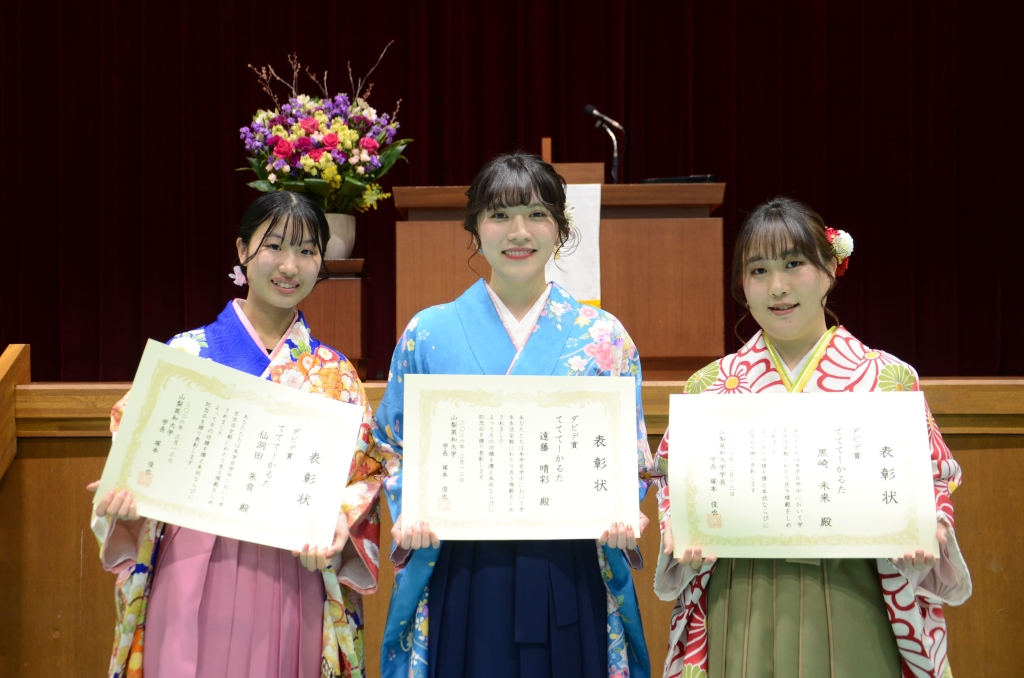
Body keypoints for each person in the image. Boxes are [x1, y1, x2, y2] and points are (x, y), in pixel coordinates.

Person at [651, 197, 972, 678]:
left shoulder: (886, 378)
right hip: (741, 589)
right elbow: (671, 478)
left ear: (830, 270)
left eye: (794, 264)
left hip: (855, 586)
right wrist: (679, 526)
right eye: (758, 270)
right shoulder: (710, 386)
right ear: (742, 285)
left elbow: (933, 476)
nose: (777, 287)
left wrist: (931, 523)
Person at [373, 152, 654, 678]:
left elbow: (631, 453)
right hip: (462, 565)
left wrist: (621, 509)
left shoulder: (603, 336)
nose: (518, 232)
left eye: (536, 214)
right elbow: (391, 444)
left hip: (569, 566)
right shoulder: (428, 333)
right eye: (499, 215)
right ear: (475, 229)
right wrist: (411, 508)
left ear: (561, 229)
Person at [88, 191, 386, 678]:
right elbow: (135, 448)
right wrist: (127, 493)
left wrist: (340, 522)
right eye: (274, 246)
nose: (289, 265)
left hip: (293, 569)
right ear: (243, 250)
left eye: (307, 251)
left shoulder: (335, 374)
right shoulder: (186, 355)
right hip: (191, 560)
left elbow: (364, 477)